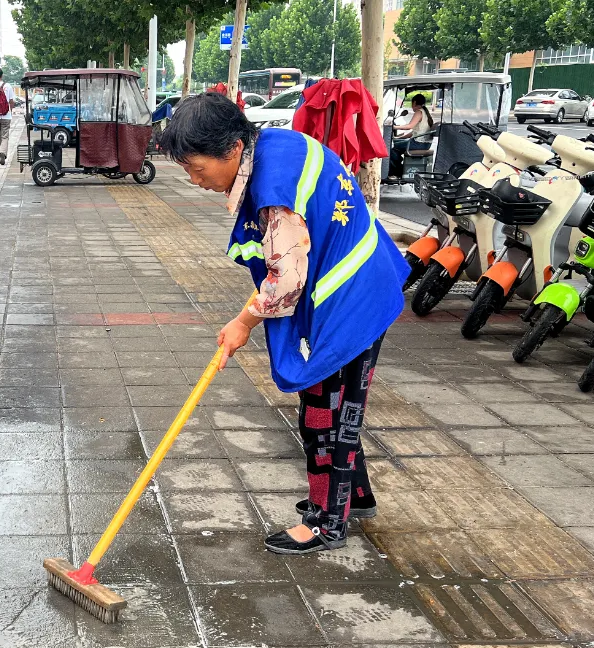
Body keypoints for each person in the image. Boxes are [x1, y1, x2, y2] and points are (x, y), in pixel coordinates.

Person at [159, 93, 410, 555]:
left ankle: (327, 523)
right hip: (363, 281)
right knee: (341, 407)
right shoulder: (275, 144)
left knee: (326, 416)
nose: (195, 181)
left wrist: (242, 322)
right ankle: (355, 497)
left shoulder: (274, 189)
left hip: (352, 299)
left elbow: (287, 281)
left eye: (197, 168)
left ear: (233, 148)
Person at [388, 93, 434, 179]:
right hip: (424, 144)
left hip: (418, 144)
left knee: (393, 149)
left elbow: (409, 126)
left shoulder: (419, 112)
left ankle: (396, 172)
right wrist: (399, 138)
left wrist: (394, 127)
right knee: (397, 143)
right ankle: (399, 168)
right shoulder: (425, 112)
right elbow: (414, 132)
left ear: (415, 102)